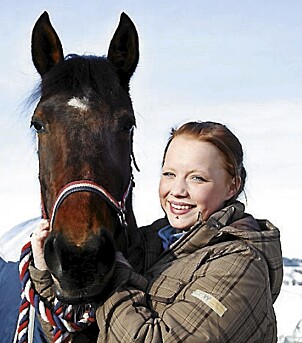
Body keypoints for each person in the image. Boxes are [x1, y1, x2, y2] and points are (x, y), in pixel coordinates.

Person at [30, 121, 283, 342]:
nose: (177, 190)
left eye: (197, 178)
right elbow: (72, 333)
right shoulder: (149, 243)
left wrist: (114, 278)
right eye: (169, 174)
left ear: (232, 186)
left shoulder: (239, 265)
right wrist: (48, 274)